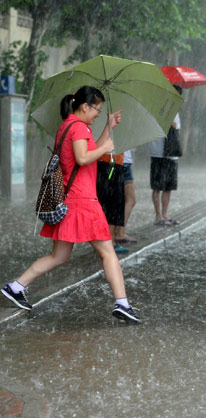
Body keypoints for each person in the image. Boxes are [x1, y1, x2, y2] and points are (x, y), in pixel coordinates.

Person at [1, 86, 141, 323]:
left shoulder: (69, 125)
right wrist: (107, 148)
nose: (98, 114)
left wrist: (108, 128)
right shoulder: (78, 127)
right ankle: (122, 303)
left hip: (71, 200)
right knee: (108, 253)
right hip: (82, 201)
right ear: (85, 106)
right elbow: (83, 158)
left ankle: (16, 286)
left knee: (59, 256)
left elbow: (88, 151)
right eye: (97, 109)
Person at [149, 85, 183, 226]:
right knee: (157, 186)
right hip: (158, 153)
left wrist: (173, 126)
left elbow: (177, 128)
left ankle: (165, 213)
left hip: (171, 154)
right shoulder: (159, 108)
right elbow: (153, 126)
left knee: (168, 187)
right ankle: (158, 216)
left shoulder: (175, 110)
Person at [96, 151, 129, 254]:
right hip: (109, 164)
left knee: (112, 204)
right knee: (112, 204)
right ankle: (109, 242)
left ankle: (108, 241)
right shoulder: (108, 136)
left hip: (113, 163)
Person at [114, 149, 137, 244]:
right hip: (122, 162)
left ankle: (117, 232)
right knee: (129, 200)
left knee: (122, 200)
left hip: (121, 161)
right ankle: (119, 232)